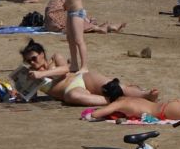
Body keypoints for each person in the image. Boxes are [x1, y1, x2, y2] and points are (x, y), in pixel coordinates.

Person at [13, 40, 155, 108]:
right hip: (69, 91)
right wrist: (23, 93)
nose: (32, 62)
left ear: (42, 54)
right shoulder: (31, 74)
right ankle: (117, 101)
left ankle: (145, 95)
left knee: (112, 87)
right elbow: (31, 95)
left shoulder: (55, 58)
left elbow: (65, 70)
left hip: (80, 79)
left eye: (34, 58)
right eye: (28, 61)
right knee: (72, 96)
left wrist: (41, 75)